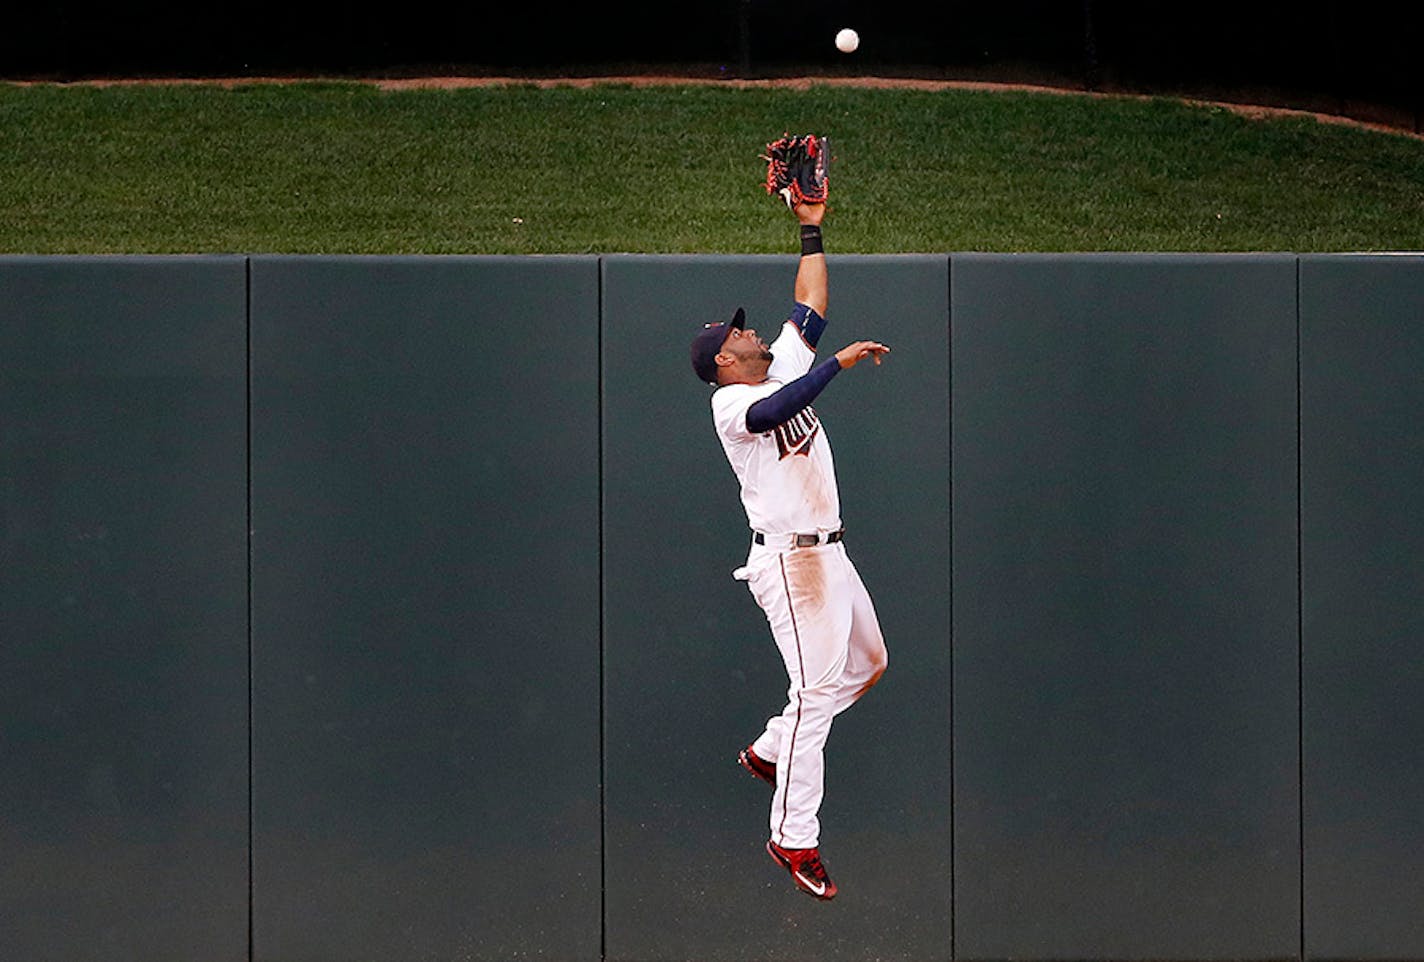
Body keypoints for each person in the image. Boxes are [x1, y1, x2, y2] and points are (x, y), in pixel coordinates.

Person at [688, 198, 890, 901]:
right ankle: (793, 837)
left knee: (867, 665)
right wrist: (833, 366)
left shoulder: (778, 367)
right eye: (739, 334)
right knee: (814, 696)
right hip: (790, 562)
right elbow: (775, 410)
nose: (751, 334)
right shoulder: (729, 404)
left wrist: (810, 223)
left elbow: (811, 301)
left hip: (829, 555)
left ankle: (772, 749)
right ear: (724, 359)